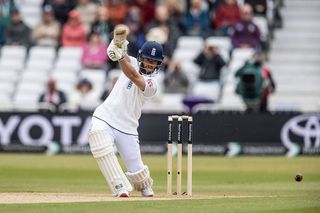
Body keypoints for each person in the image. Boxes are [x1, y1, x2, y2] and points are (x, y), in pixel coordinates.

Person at [87, 37, 164, 197]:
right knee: (99, 143)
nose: (150, 64)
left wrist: (120, 55)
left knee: (138, 172)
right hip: (105, 116)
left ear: (159, 64)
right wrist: (117, 44)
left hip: (128, 127)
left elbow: (133, 76)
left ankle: (144, 185)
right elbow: (114, 55)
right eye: (148, 59)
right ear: (141, 57)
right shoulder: (132, 61)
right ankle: (119, 186)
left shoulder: (153, 84)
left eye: (154, 62)